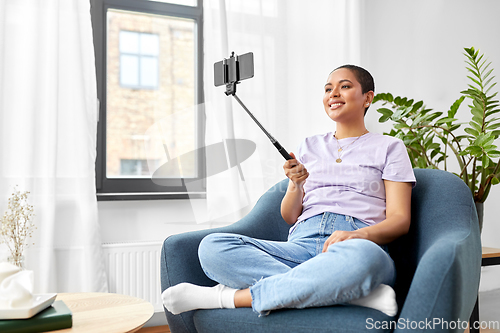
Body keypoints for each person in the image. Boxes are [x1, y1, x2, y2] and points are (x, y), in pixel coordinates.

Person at [162, 65, 416, 317]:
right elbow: (289, 216)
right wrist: (296, 185)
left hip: (357, 245)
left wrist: (358, 236)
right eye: (328, 89)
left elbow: (399, 220)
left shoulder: (389, 147)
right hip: (300, 245)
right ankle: (350, 293)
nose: (333, 94)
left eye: (345, 86)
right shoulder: (309, 145)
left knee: (363, 261)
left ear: (367, 98)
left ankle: (224, 298)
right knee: (213, 248)